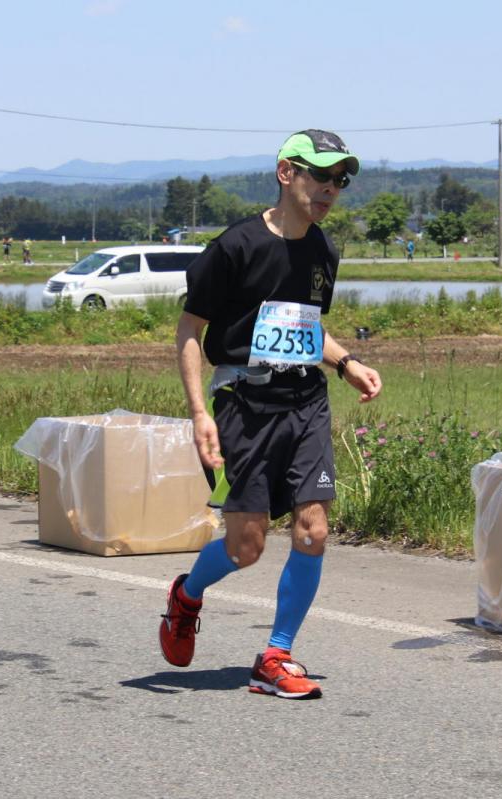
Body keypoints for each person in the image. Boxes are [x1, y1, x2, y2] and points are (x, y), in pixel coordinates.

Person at [165, 129, 382, 700]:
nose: (331, 189)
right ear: (287, 173)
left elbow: (308, 326)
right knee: (246, 547)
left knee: (313, 530)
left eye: (340, 180)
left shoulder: (324, 250)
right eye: (320, 176)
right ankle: (186, 596)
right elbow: (191, 330)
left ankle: (276, 653)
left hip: (305, 400)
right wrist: (198, 413)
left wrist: (346, 363)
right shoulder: (233, 247)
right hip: (244, 403)